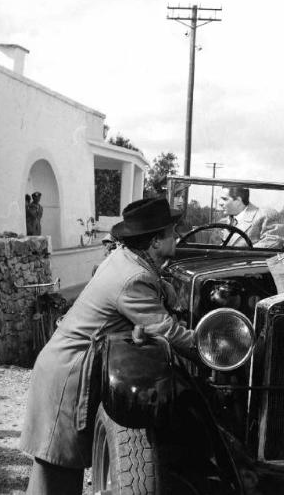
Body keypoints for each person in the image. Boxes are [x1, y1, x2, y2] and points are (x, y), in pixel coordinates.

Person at [21, 197, 195, 494]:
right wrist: (211, 349)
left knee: (57, 468)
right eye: (172, 232)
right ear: (155, 242)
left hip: (65, 362)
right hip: (69, 373)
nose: (177, 237)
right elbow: (166, 330)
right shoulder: (134, 278)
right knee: (57, 471)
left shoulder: (126, 259)